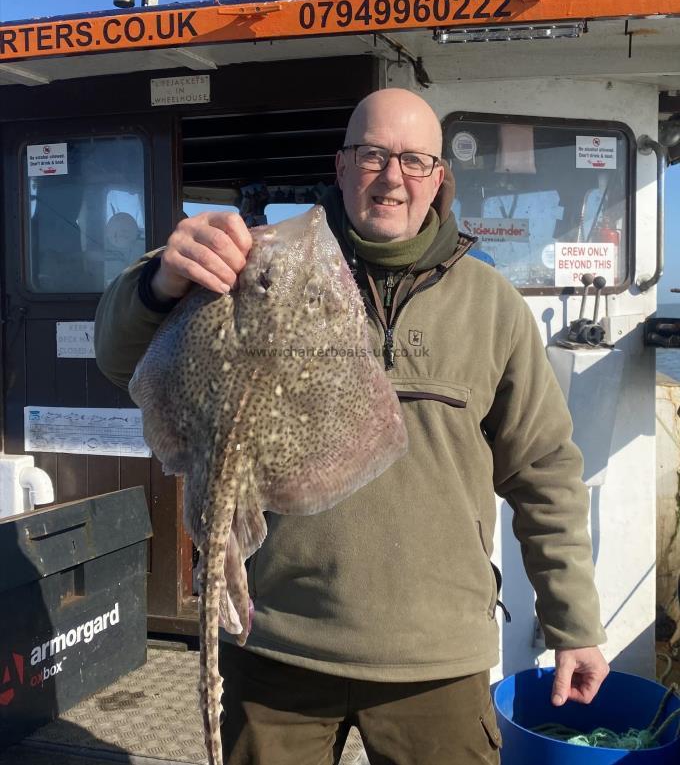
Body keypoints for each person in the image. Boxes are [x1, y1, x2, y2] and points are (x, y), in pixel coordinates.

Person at [95, 88, 609, 765]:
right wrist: (159, 278)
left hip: (437, 658)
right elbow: (120, 356)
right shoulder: (259, 269)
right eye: (372, 154)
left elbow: (544, 470)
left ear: (437, 179)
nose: (392, 175)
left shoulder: (493, 307)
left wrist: (573, 621)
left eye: (414, 159)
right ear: (341, 167)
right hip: (279, 641)